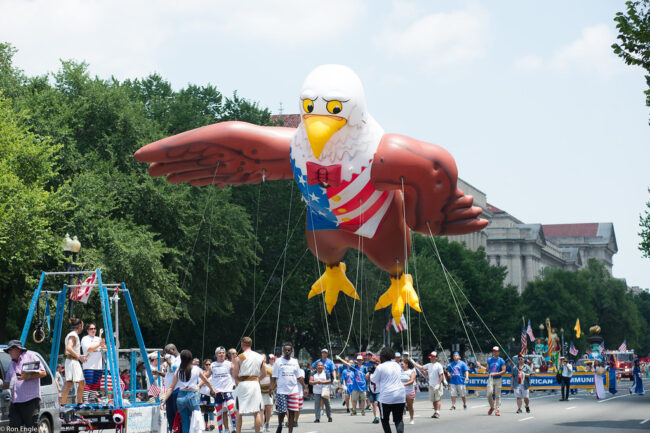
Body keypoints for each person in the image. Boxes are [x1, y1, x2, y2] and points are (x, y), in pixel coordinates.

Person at [161, 349, 216, 433]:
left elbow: (171, 388)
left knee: (185, 421)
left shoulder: (178, 371)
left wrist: (164, 400)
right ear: (191, 358)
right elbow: (206, 380)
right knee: (196, 420)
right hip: (192, 395)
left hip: (181, 396)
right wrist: (212, 389)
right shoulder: (196, 369)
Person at [2, 340, 47, 429]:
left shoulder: (30, 357)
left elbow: (43, 373)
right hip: (15, 401)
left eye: (10, 350)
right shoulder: (11, 363)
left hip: (30, 400)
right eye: (8, 351)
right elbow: (6, 383)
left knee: (32, 428)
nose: (9, 353)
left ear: (18, 349)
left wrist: (28, 375)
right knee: (14, 428)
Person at [232, 337, 266, 433]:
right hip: (255, 384)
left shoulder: (240, 357)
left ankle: (238, 432)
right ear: (251, 344)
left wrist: (240, 379)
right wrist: (256, 379)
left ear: (242, 344)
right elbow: (264, 373)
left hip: (243, 384)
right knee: (257, 411)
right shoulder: (260, 357)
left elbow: (235, 375)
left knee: (239, 411)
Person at [271, 343, 306, 433]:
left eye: (289, 350)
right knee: (282, 411)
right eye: (285, 350)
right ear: (283, 351)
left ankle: (290, 431)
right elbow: (274, 376)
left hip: (293, 390)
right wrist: (271, 388)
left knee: (292, 412)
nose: (287, 351)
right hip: (281, 390)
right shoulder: (278, 361)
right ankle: (280, 425)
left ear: (291, 351)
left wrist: (305, 387)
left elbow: (299, 377)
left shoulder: (294, 362)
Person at [370, 347, 405, 433]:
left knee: (384, 419)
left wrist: (371, 373)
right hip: (400, 395)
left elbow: (373, 380)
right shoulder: (397, 365)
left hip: (386, 397)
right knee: (398, 420)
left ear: (382, 356)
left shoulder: (380, 367)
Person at [207, 347, 237, 433]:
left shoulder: (229, 364)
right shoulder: (213, 365)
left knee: (231, 409)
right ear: (216, 355)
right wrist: (198, 384)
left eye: (223, 352)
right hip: (218, 393)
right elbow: (206, 376)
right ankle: (222, 430)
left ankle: (234, 428)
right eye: (220, 353)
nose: (222, 354)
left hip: (228, 391)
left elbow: (235, 375)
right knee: (220, 413)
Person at [61, 318, 86, 404]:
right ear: (79, 326)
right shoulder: (73, 335)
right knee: (78, 383)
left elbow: (66, 351)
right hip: (73, 362)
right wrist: (79, 356)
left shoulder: (71, 335)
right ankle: (78, 402)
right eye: (82, 325)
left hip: (71, 361)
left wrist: (78, 356)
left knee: (70, 384)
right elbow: (68, 347)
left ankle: (64, 404)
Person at [475, 346, 506, 416]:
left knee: (498, 395)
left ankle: (497, 410)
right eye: (493, 351)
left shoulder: (501, 360)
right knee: (489, 394)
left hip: (498, 379)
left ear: (498, 352)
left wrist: (496, 373)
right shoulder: (489, 360)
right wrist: (480, 365)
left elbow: (504, 371)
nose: (494, 353)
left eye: (496, 351)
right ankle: (492, 407)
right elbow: (487, 370)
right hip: (491, 378)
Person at [413, 351, 444, 418]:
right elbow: (421, 368)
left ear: (436, 358)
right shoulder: (429, 365)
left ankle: (437, 412)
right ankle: (435, 412)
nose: (431, 358)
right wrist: (413, 363)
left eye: (433, 356)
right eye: (431, 356)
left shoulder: (439, 365)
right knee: (433, 400)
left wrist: (438, 384)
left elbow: (441, 375)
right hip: (431, 385)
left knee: (437, 399)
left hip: (437, 385)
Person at [81, 322, 105, 402]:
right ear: (87, 330)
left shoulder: (98, 338)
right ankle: (85, 399)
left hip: (98, 365)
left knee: (95, 384)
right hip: (89, 365)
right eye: (91, 329)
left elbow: (104, 348)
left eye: (94, 328)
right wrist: (99, 344)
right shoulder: (85, 339)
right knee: (89, 382)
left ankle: (91, 399)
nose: (93, 330)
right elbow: (89, 349)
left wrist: (103, 345)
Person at [162, 343, 181, 433]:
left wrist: (170, 363)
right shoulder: (172, 359)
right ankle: (172, 430)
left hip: (177, 390)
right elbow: (169, 375)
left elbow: (177, 372)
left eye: (168, 352)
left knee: (176, 414)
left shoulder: (180, 359)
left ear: (173, 350)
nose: (166, 354)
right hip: (169, 391)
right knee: (170, 414)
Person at [260, 354, 275, 432]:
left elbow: (273, 379)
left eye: (264, 358)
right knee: (261, 409)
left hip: (268, 390)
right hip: (259, 391)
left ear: (266, 359)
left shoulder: (269, 368)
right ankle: (262, 426)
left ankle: (267, 423)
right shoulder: (256, 368)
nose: (263, 359)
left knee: (268, 408)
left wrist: (271, 388)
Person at [201, 358, 215, 430]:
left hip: (211, 395)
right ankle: (206, 425)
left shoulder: (213, 373)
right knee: (205, 410)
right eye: (206, 364)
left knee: (211, 409)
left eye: (209, 364)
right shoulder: (201, 373)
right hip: (203, 394)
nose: (208, 366)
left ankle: (212, 424)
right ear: (204, 365)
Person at [399, 359, 416, 424]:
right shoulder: (399, 371)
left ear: (407, 365)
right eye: (401, 364)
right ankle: (401, 420)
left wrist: (403, 384)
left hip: (409, 391)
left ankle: (411, 418)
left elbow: (412, 381)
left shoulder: (411, 371)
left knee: (410, 406)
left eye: (402, 364)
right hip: (401, 391)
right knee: (401, 406)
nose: (401, 366)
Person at [365, 358, 381, 424]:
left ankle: (377, 417)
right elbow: (366, 377)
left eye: (377, 364)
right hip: (371, 389)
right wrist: (368, 373)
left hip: (379, 390)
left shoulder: (381, 371)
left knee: (376, 403)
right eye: (375, 364)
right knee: (373, 404)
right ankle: (375, 417)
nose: (376, 365)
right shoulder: (371, 371)